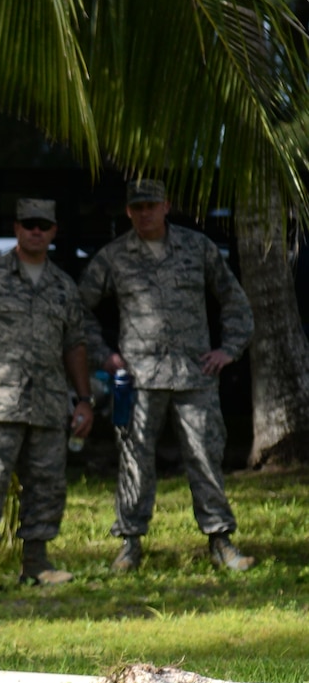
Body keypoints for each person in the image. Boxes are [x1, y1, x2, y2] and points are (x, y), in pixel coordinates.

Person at [79, 179, 254, 573]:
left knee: (206, 457)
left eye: (151, 205)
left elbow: (234, 299)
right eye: (137, 207)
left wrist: (229, 349)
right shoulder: (114, 257)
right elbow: (79, 309)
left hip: (195, 376)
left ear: (166, 206)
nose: (144, 213)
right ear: (128, 211)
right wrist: (104, 355)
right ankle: (129, 544)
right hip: (138, 380)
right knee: (135, 463)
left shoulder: (198, 248)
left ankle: (220, 540)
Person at [0, 197, 93, 593]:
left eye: (43, 225)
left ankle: (36, 562)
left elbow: (75, 346)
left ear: (53, 232)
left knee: (46, 485)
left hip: (47, 405)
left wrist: (84, 399)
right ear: (16, 228)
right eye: (28, 223)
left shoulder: (62, 287)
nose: (35, 230)